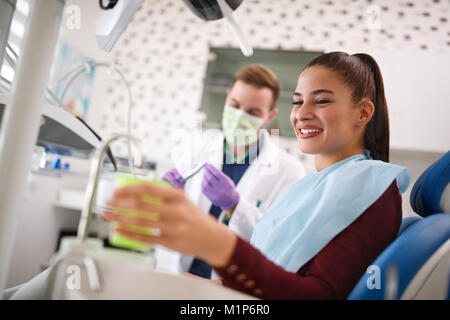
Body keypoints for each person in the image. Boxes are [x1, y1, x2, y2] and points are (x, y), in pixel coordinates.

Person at [102, 52, 411, 299]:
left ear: (363, 113)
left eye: (321, 100)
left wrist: (220, 241)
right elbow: (276, 268)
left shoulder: (370, 188)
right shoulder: (311, 186)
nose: (302, 113)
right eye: (298, 101)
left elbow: (315, 292)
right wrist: (203, 288)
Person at [159, 64, 306, 278]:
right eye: (234, 105)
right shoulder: (194, 149)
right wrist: (168, 199)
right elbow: (164, 221)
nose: (239, 116)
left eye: (253, 112)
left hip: (231, 288)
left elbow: (278, 244)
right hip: (177, 275)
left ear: (269, 116)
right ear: (227, 98)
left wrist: (235, 206)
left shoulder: (289, 171)